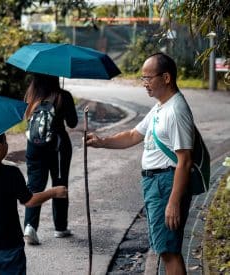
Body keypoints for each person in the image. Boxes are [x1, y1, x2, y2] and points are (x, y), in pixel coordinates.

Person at [86, 53, 194, 275]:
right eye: (142, 78)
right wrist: (101, 142)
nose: (144, 84)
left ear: (166, 78)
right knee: (165, 249)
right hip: (155, 184)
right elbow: (134, 135)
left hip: (165, 183)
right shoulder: (160, 107)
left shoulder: (176, 111)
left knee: (168, 251)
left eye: (148, 78)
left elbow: (185, 161)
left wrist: (173, 202)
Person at [0, 133, 68, 275]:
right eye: (5, 142)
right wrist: (53, 193)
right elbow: (29, 200)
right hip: (8, 243)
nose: (7, 145)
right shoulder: (11, 173)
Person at [23, 73, 78, 245]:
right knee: (59, 183)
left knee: (34, 186)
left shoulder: (31, 96)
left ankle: (30, 227)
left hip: (34, 146)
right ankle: (60, 227)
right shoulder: (63, 96)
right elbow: (72, 123)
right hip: (58, 147)